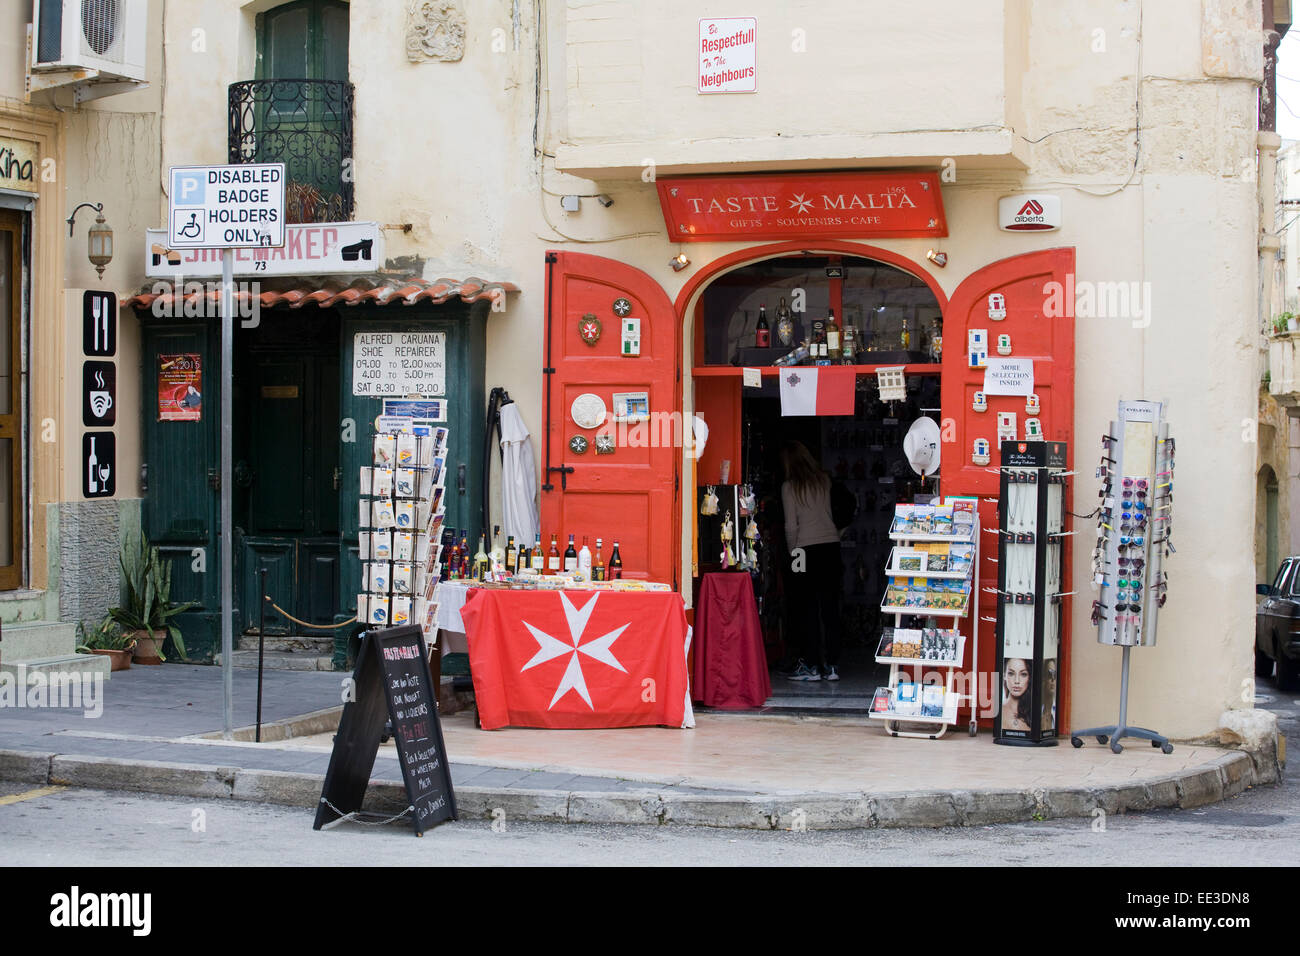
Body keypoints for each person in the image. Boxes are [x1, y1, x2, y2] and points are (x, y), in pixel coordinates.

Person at [780, 441, 843, 681]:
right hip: (830, 547)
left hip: (803, 550)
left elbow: (790, 525)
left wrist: (792, 552)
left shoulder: (789, 487)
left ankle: (812, 665)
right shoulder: (824, 481)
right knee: (830, 607)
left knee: (805, 607)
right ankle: (833, 664)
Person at [1002, 657, 1033, 731]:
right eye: (1011, 673)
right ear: (1004, 676)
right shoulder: (999, 712)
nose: (1017, 681)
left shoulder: (1034, 713)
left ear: (1029, 678)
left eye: (1023, 674)